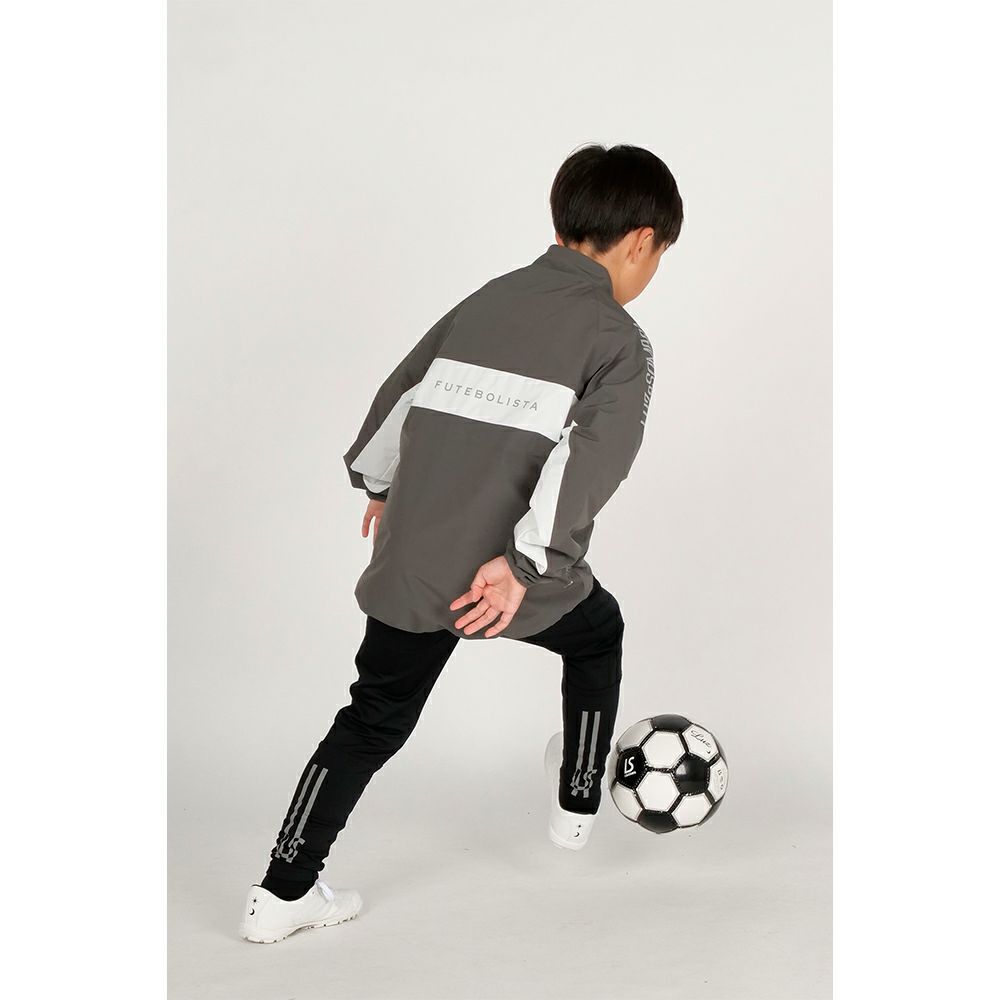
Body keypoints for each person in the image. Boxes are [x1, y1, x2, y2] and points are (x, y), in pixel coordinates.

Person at [239, 143, 683, 943]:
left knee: (371, 720)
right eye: (658, 258)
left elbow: (400, 394)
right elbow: (592, 464)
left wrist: (378, 485)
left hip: (414, 560)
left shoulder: (485, 300)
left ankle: (279, 894)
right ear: (642, 240)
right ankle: (578, 802)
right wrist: (524, 567)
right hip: (499, 575)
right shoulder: (618, 338)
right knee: (598, 633)